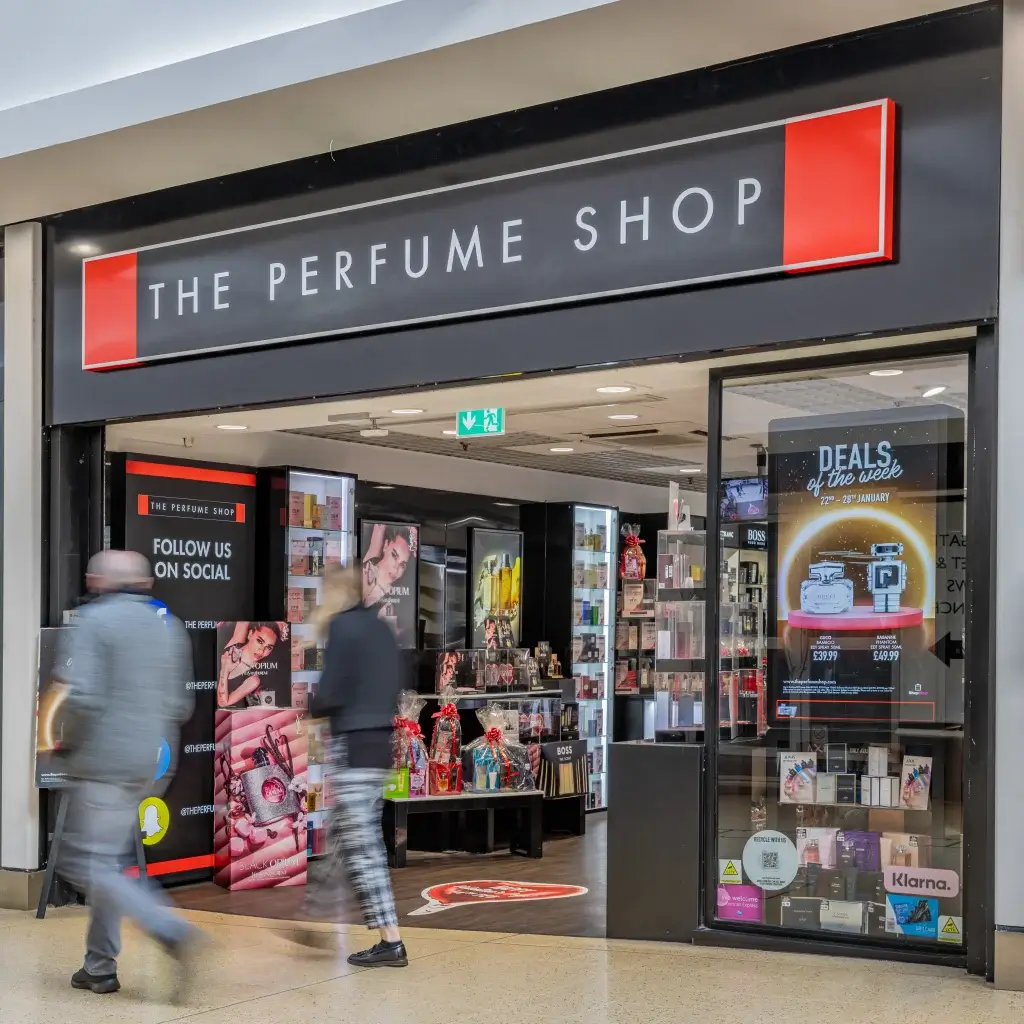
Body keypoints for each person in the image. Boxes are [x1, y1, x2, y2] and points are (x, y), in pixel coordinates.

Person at [55, 550, 202, 1000]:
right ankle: (98, 966)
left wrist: (67, 743)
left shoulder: (94, 621)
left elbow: (81, 697)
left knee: (84, 862)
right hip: (153, 761)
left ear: (99, 579)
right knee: (109, 864)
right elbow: (181, 705)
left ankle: (169, 927)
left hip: (104, 761)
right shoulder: (170, 626)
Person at [291, 564, 408, 967]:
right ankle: (312, 916)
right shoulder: (380, 629)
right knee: (347, 831)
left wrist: (312, 708)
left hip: (354, 745)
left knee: (363, 847)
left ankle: (390, 939)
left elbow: (333, 688)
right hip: (380, 743)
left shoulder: (342, 628)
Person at [216, 620, 286, 708]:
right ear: (250, 634)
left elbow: (223, 702)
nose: (261, 651)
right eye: (259, 641)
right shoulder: (236, 642)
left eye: (268, 647)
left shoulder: (253, 679)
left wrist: (225, 670)